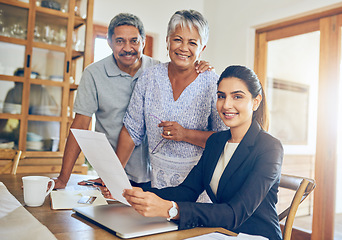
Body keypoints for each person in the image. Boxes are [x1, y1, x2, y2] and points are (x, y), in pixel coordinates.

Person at [121, 65, 284, 240]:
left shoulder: (270, 148)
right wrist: (131, 189)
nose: (226, 105)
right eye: (221, 96)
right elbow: (186, 191)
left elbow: (234, 213)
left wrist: (171, 209)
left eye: (237, 96)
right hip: (221, 232)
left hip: (257, 235)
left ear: (256, 101)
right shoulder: (216, 141)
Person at [53, 13, 212, 189]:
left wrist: (198, 63)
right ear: (109, 42)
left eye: (134, 41)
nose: (127, 48)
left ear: (143, 42)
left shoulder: (159, 70)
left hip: (158, 176)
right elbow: (83, 126)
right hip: (117, 169)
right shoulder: (98, 75)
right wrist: (63, 178)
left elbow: (225, 139)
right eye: (120, 41)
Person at [116, 10, 227, 202]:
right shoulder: (149, 78)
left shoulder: (213, 84)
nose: (184, 48)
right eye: (178, 39)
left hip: (200, 190)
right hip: (158, 186)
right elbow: (131, 131)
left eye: (192, 43)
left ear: (202, 47)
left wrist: (185, 134)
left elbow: (225, 140)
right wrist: (115, 177)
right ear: (167, 40)